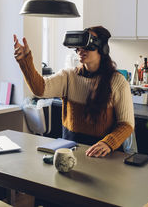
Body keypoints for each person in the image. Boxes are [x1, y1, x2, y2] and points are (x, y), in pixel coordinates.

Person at [13, 26, 134, 157]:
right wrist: (25, 61)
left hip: (102, 155)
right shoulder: (68, 76)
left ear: (103, 48)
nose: (81, 51)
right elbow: (39, 89)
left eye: (87, 46)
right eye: (79, 47)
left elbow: (126, 124)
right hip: (71, 153)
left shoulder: (118, 81)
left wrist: (108, 143)